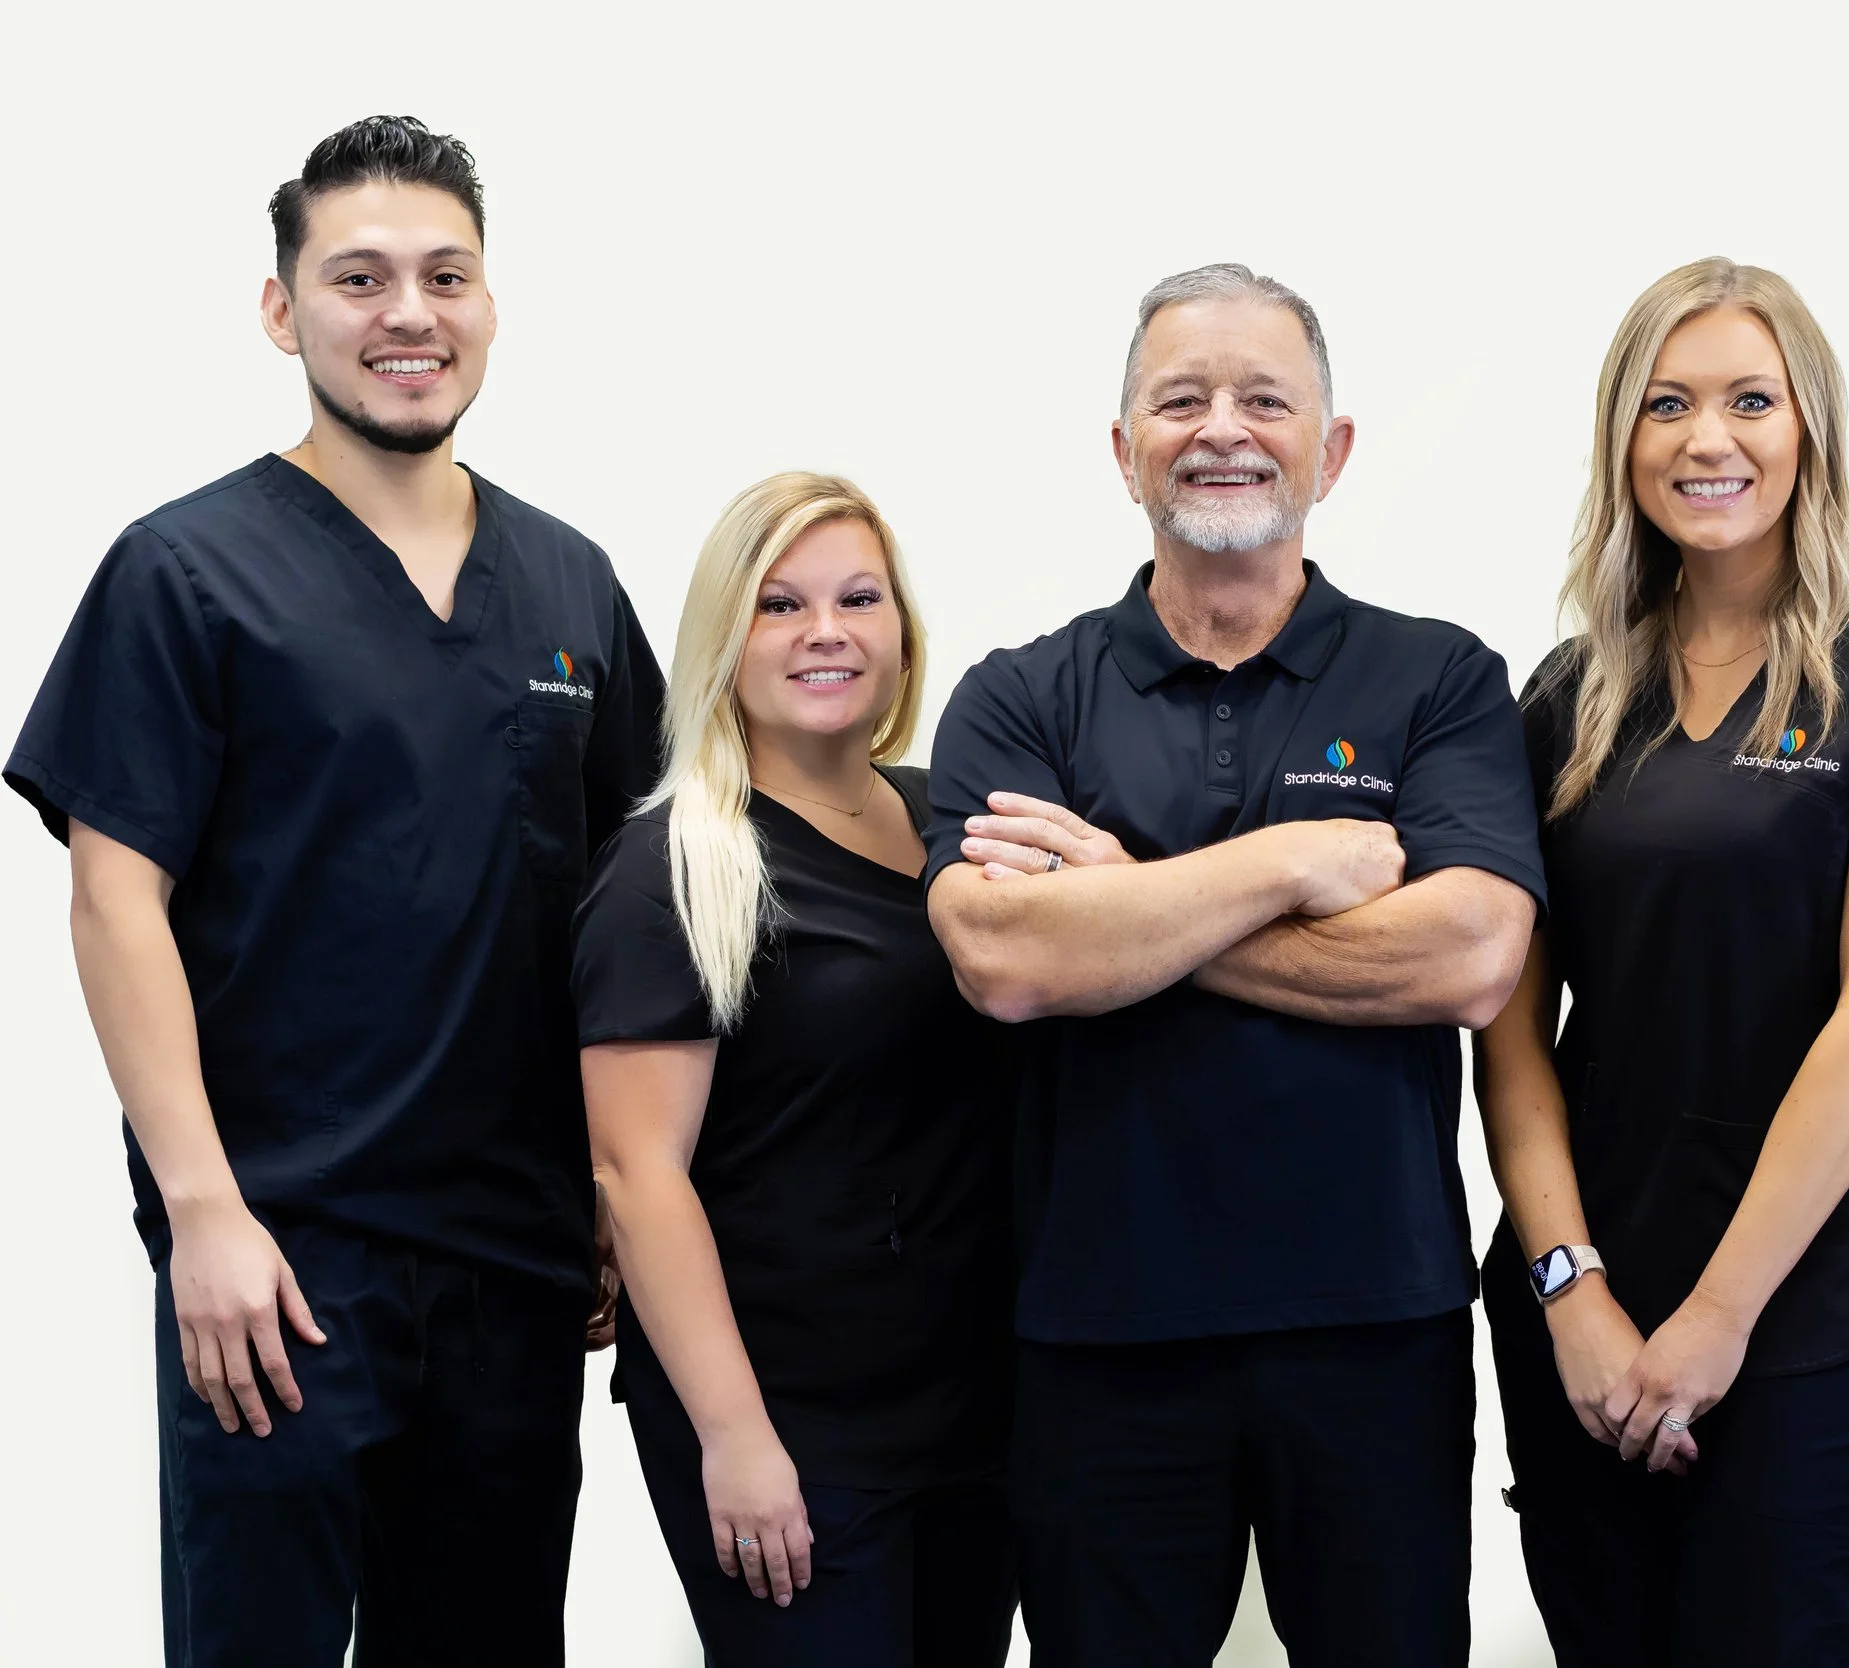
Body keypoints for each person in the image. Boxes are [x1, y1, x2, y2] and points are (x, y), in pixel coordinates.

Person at [3, 117, 662, 1666]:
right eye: (358, 278)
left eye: (445, 275)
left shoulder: (571, 588)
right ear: (283, 310)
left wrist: (628, 1196)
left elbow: (630, 919)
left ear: (491, 304)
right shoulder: (188, 572)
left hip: (516, 1262)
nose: (407, 314)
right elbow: (115, 905)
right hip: (281, 1256)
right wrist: (204, 1211)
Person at [918, 263, 1543, 1668]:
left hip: (1377, 1327)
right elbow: (1006, 957)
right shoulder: (1022, 695)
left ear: (1332, 449)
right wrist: (1287, 867)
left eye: (1267, 398)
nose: (1224, 428)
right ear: (1124, 447)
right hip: (1100, 1335)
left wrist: (1129, 907)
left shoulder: (1436, 679)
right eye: (1181, 397)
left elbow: (1472, 955)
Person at [1474, 257, 1849, 1666]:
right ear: (1622, 442)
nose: (1708, 440)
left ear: (1809, 429)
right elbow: (1511, 1030)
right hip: (1583, 1308)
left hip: (1814, 1316)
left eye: (1750, 401)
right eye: (1667, 405)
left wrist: (1718, 1316)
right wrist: (1569, 1290)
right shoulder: (1567, 696)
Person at [574, 473, 1017, 1666]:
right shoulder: (675, 863)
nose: (826, 632)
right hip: (787, 1420)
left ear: (901, 632)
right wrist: (734, 1436)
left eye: (857, 598)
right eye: (779, 605)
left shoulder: (958, 831)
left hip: (975, 1411)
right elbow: (634, 1173)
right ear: (725, 642)